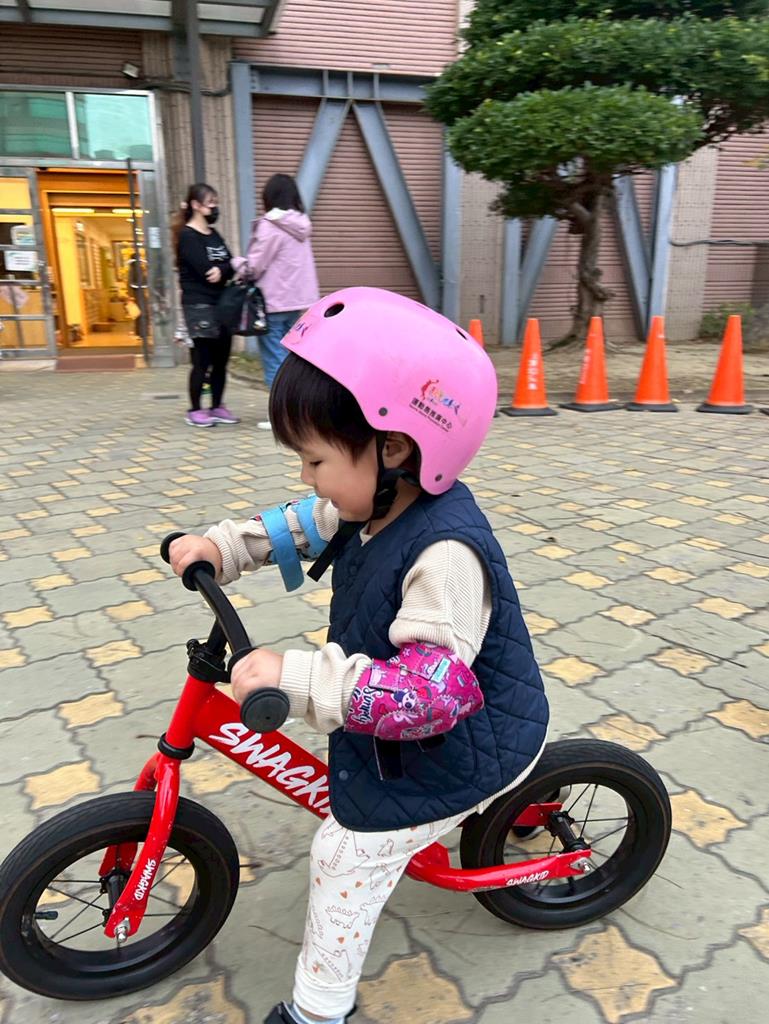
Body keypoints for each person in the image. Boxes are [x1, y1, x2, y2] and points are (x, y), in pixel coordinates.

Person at [169, 287, 549, 1024]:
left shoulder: (445, 555)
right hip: (417, 731)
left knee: (342, 855)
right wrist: (223, 546)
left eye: (313, 458)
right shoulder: (372, 502)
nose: (305, 476)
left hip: (454, 745)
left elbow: (430, 695)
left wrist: (298, 678)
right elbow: (299, 524)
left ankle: (318, 1011)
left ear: (394, 448)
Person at [237, 173, 319, 420]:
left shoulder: (270, 225)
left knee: (275, 360)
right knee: (289, 358)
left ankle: (283, 418)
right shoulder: (301, 224)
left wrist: (236, 263)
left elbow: (254, 267)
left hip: (272, 304)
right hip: (295, 304)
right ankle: (297, 412)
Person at [175, 183, 240, 428]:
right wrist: (223, 269)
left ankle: (217, 406)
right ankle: (195, 410)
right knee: (202, 361)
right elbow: (205, 271)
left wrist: (222, 269)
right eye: (211, 203)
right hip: (199, 305)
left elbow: (231, 263)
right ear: (196, 205)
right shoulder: (187, 236)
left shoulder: (214, 234)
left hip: (222, 304)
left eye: (216, 203)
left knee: (221, 360)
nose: (215, 207)